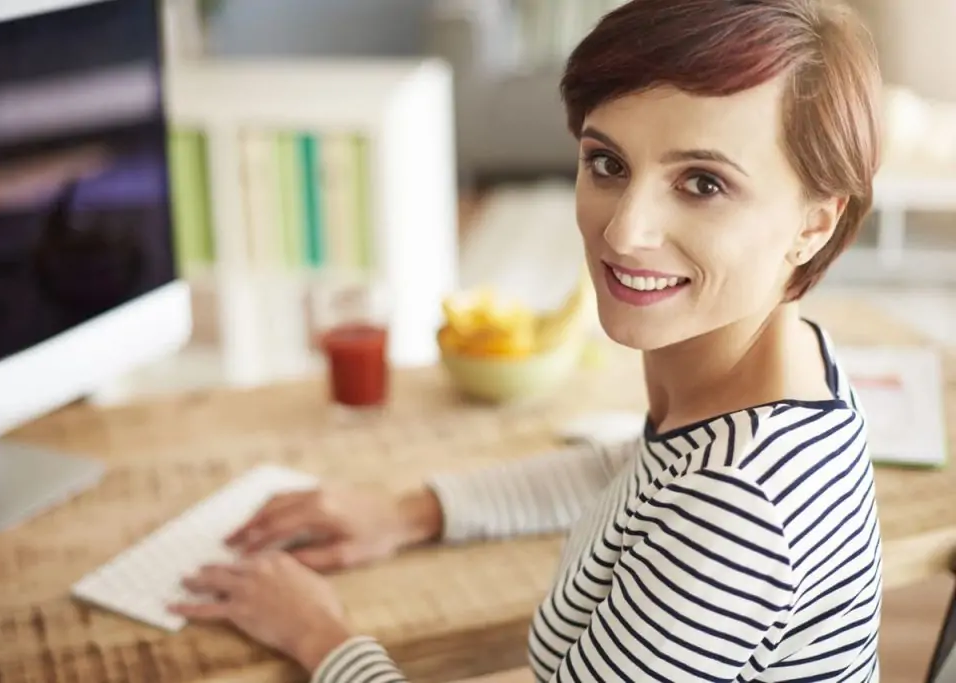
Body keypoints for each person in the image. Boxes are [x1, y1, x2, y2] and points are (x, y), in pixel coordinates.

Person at [169, 0, 884, 679]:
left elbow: (691, 503)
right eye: (607, 162)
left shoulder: (734, 515)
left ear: (814, 223)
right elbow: (632, 470)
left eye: (702, 183)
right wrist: (409, 512)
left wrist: (320, 634)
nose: (624, 231)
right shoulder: (782, 363)